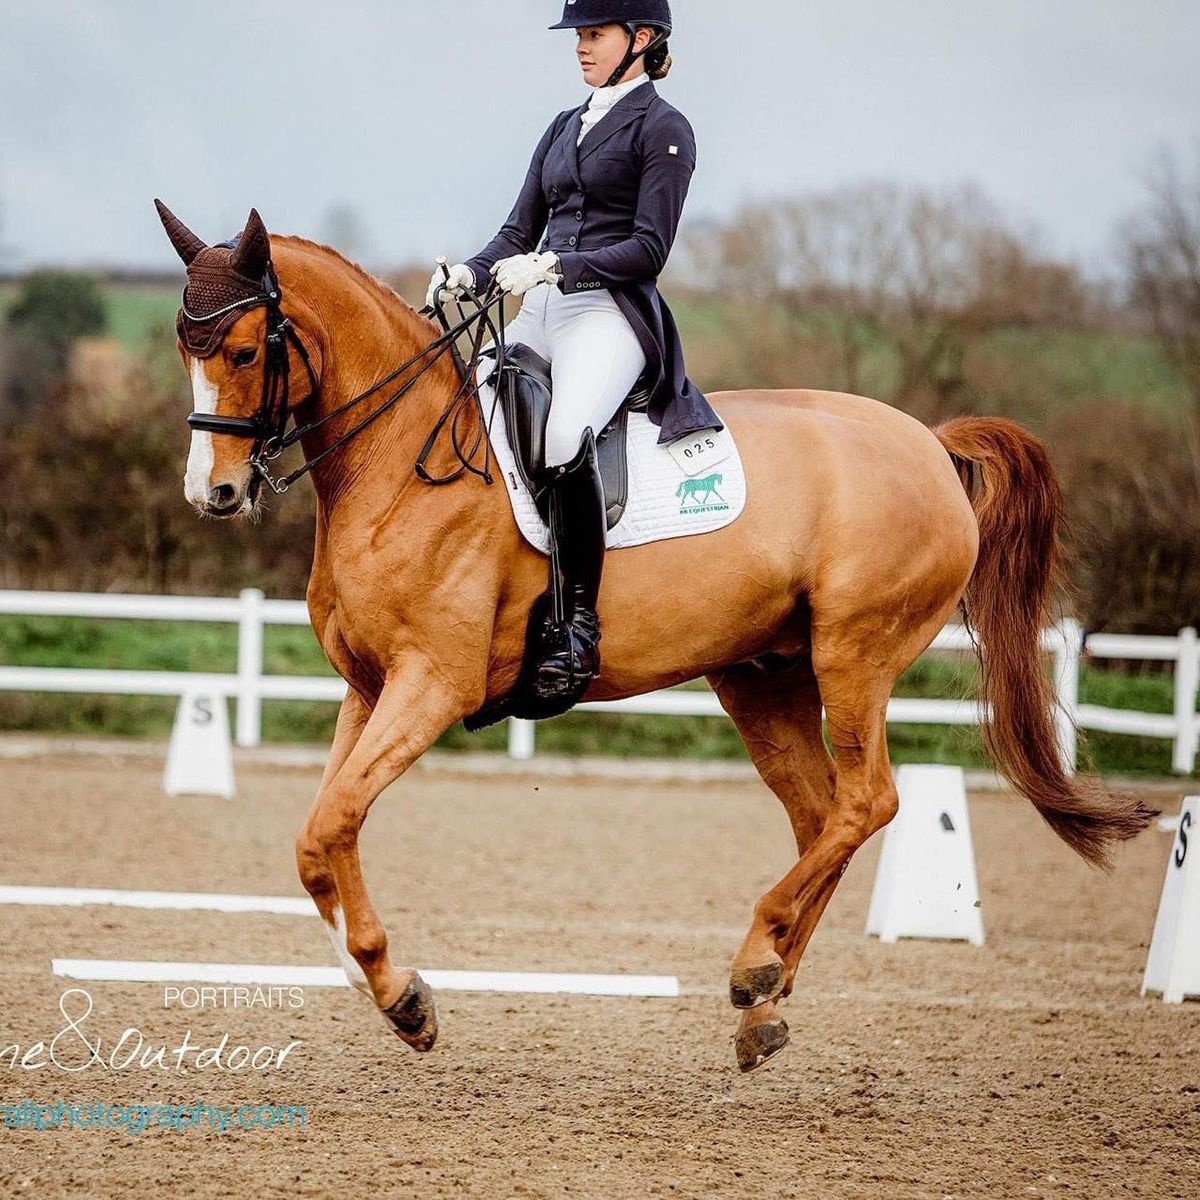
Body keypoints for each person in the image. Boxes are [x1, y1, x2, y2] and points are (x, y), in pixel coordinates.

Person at [426, 0, 722, 701]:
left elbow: (649, 247)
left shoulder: (664, 128)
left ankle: (576, 624)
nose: (581, 48)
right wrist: (469, 272)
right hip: (542, 306)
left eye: (595, 35)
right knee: (465, 413)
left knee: (564, 435)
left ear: (641, 39)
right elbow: (517, 230)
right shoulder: (564, 126)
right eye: (580, 36)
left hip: (610, 312)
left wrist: (560, 267)